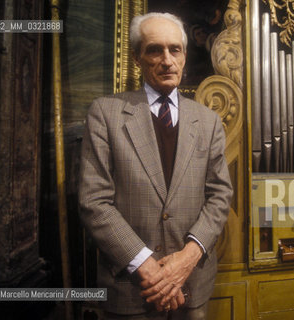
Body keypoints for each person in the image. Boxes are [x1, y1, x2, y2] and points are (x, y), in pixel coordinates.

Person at [78, 12, 233, 320]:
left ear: (185, 56)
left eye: (175, 49)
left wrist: (186, 260)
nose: (167, 60)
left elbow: (220, 195)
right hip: (132, 288)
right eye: (154, 50)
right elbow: (93, 201)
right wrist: (147, 266)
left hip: (193, 284)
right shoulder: (105, 114)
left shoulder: (208, 121)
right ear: (137, 57)